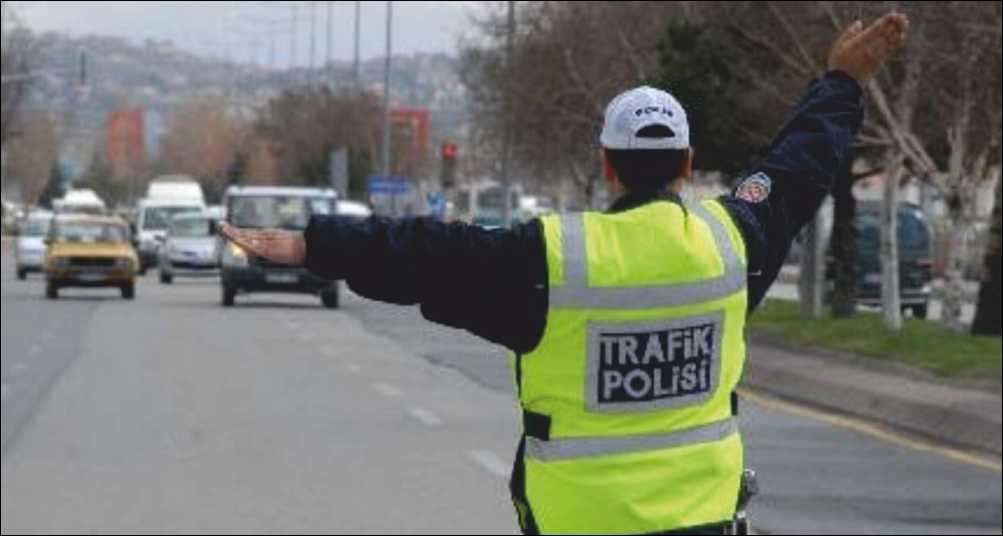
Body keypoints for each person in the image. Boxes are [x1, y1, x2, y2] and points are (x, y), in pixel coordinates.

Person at [221, 13, 908, 536]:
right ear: (688, 162)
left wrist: (311, 244)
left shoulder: (549, 259)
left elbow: (425, 254)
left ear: (606, 166)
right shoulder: (731, 244)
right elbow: (793, 168)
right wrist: (842, 81)